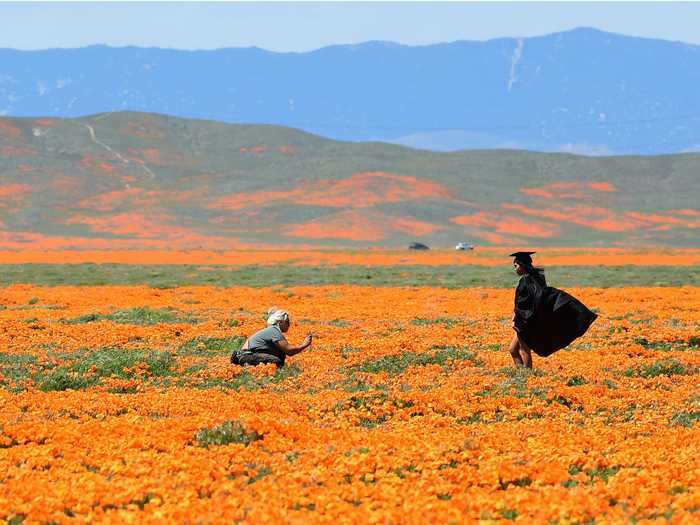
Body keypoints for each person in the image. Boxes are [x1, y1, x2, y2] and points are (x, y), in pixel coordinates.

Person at [508, 251, 597, 369]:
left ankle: (526, 375)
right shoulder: (534, 278)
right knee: (513, 349)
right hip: (524, 320)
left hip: (524, 322)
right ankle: (520, 374)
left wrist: (518, 317)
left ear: (522, 265)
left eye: (516, 266)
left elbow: (527, 303)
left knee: (524, 350)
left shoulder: (527, 281)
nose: (514, 269)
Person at [231, 308, 312, 368]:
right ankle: (248, 367)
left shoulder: (272, 330)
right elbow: (289, 351)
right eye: (287, 322)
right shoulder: (274, 330)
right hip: (247, 356)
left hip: (246, 355)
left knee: (280, 356)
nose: (289, 324)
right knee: (276, 362)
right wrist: (304, 345)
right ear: (280, 322)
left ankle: (248, 365)